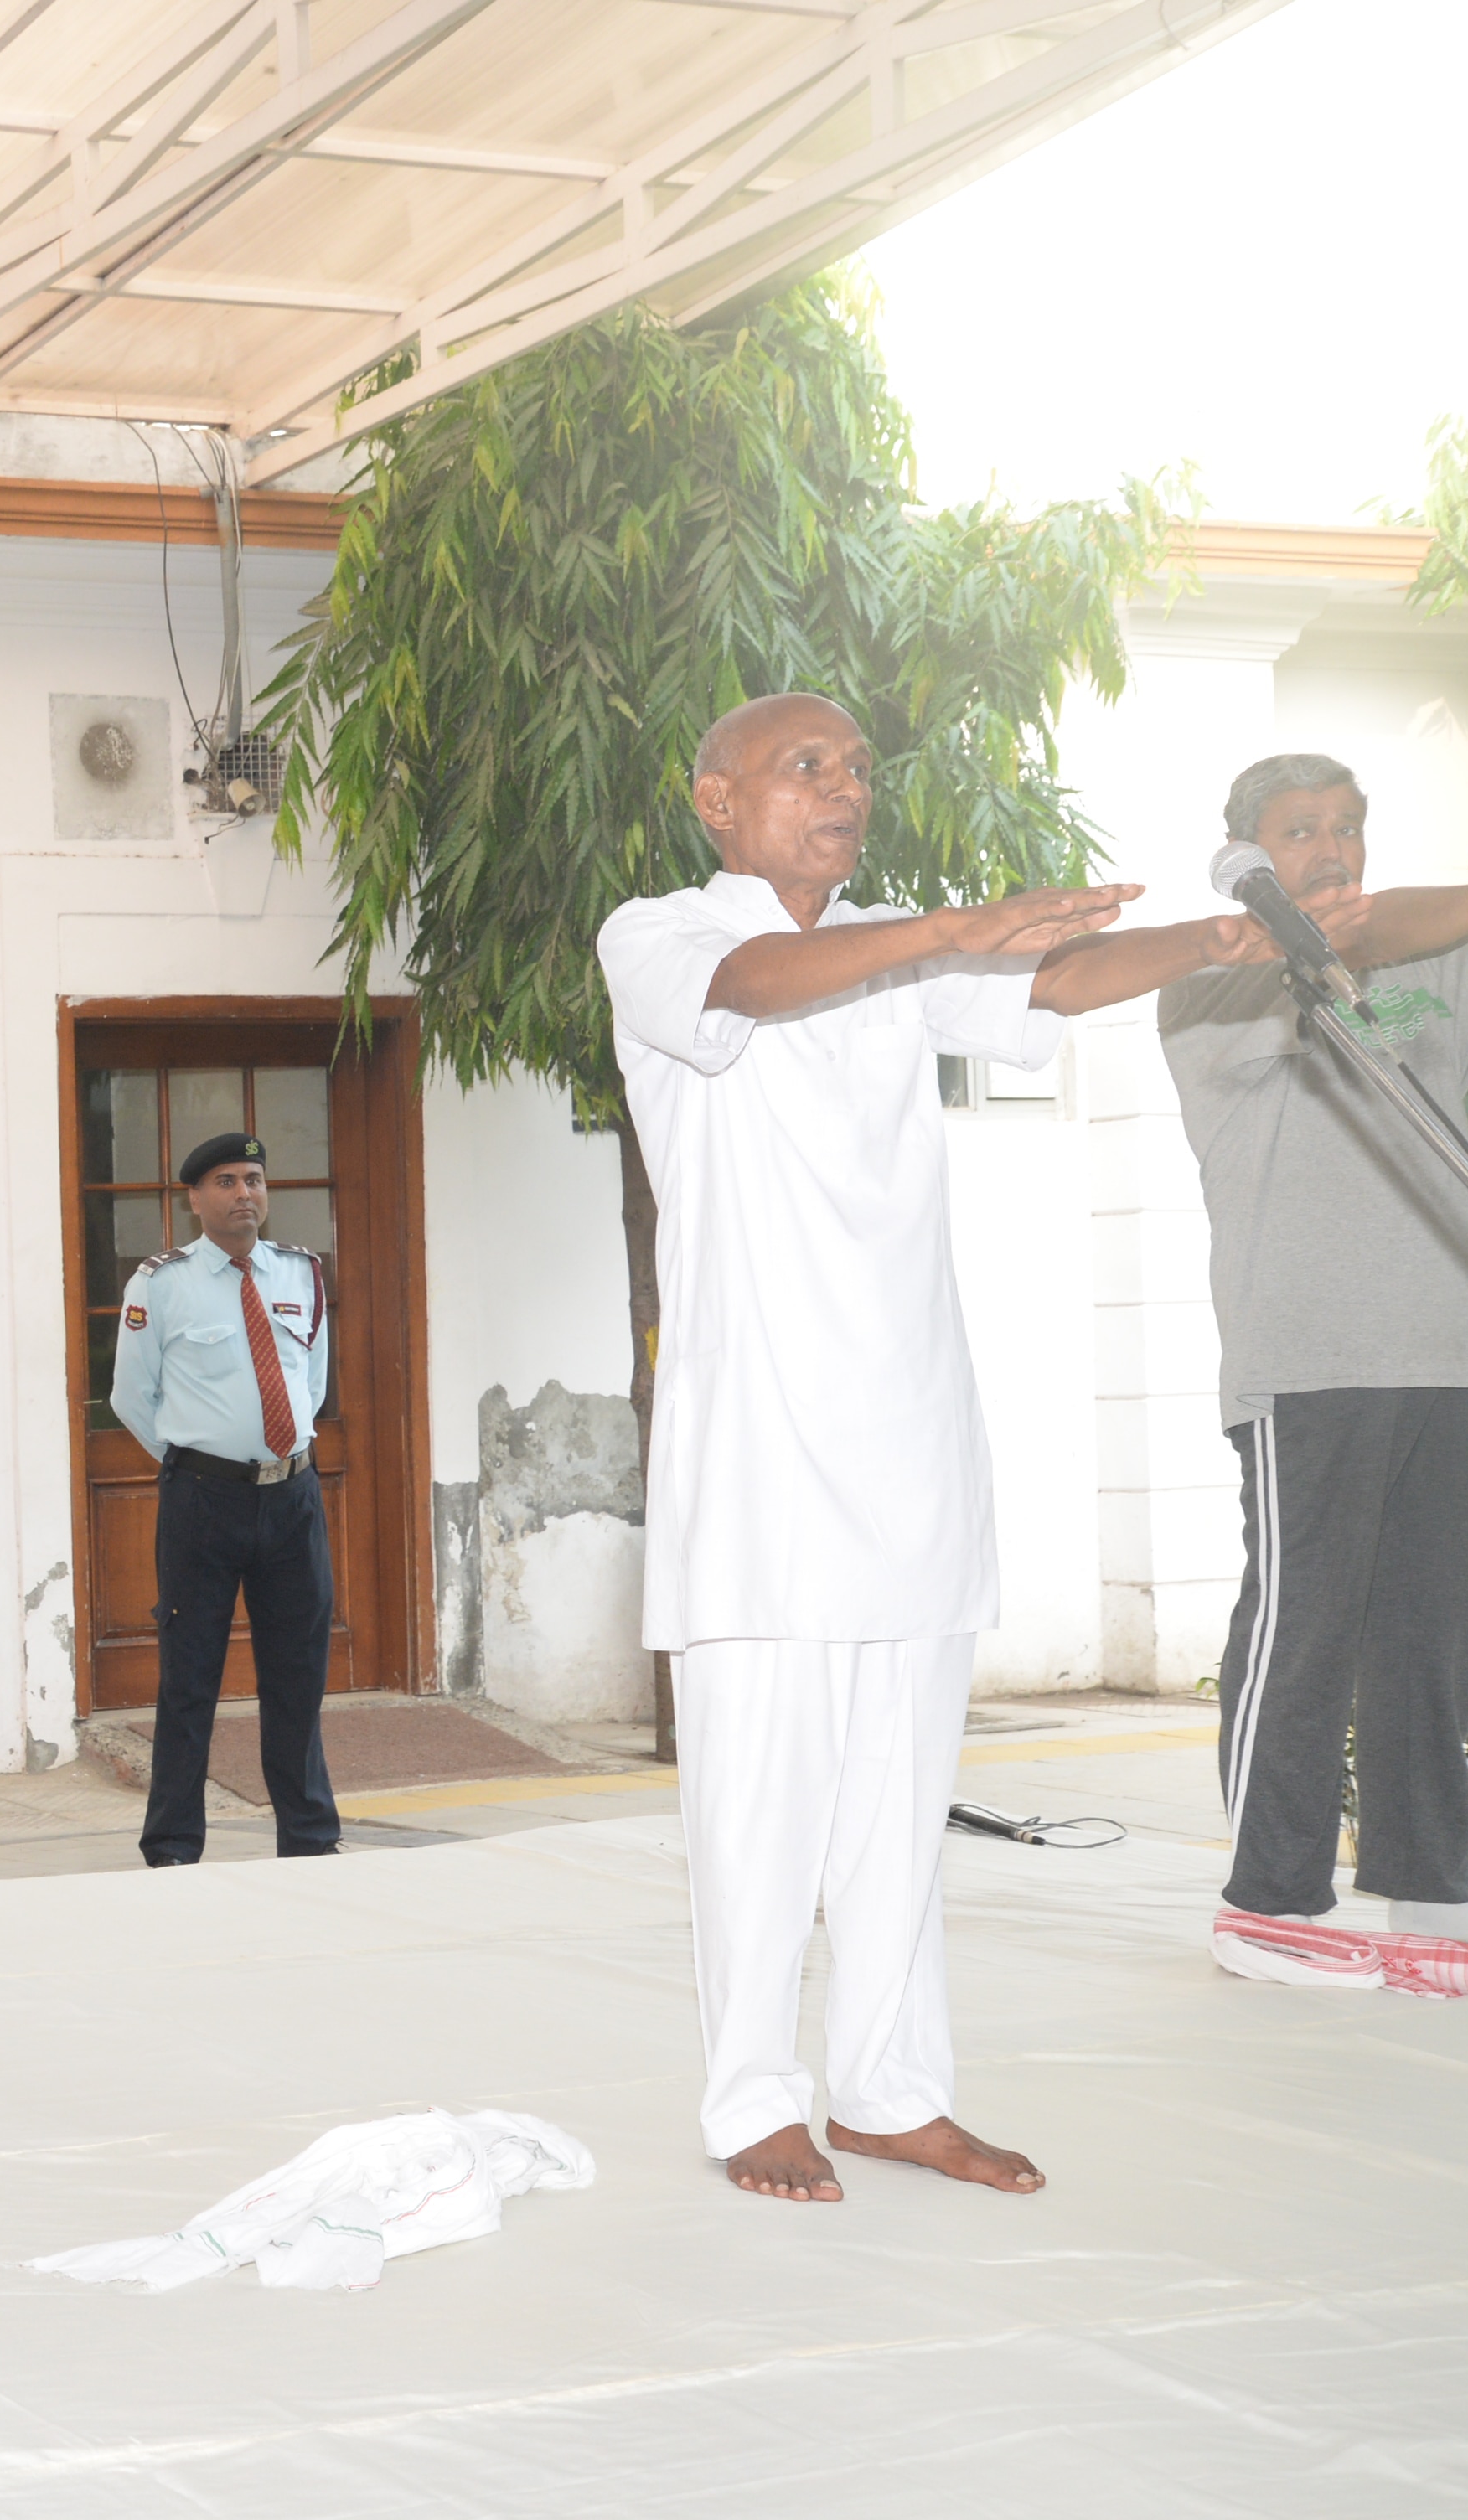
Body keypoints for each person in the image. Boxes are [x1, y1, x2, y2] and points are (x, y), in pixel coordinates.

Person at [597, 689, 1290, 2208]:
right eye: (804, 766)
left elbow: (1047, 983)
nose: (842, 787)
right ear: (715, 797)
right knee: (758, 1809)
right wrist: (940, 934)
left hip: (910, 1444)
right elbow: (763, 982)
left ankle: (892, 2092)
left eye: (854, 767)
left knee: (899, 1810)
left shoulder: (904, 944)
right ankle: (752, 2100)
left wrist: (1202, 941)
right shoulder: (657, 934)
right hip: (761, 1465)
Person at [1159, 753, 1468, 1985]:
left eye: (1347, 827)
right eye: (1300, 832)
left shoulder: (1439, 968)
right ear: (1248, 853)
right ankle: (1268, 1900)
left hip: (1448, 1344)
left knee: (1439, 1631)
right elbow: (1397, 920)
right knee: (1305, 1630)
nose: (1331, 850)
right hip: (1312, 1356)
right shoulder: (1210, 980)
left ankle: (1424, 1889)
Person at [109, 1131, 339, 1866]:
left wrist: (280, 1455)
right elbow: (131, 1396)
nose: (246, 1193)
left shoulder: (301, 1273)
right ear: (195, 1198)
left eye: (255, 1179)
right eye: (228, 1182)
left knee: (298, 1674)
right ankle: (174, 1846)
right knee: (190, 1678)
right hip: (203, 1504)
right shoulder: (160, 1283)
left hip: (293, 1498)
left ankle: (308, 1838)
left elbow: (312, 1382)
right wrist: (195, 1460)